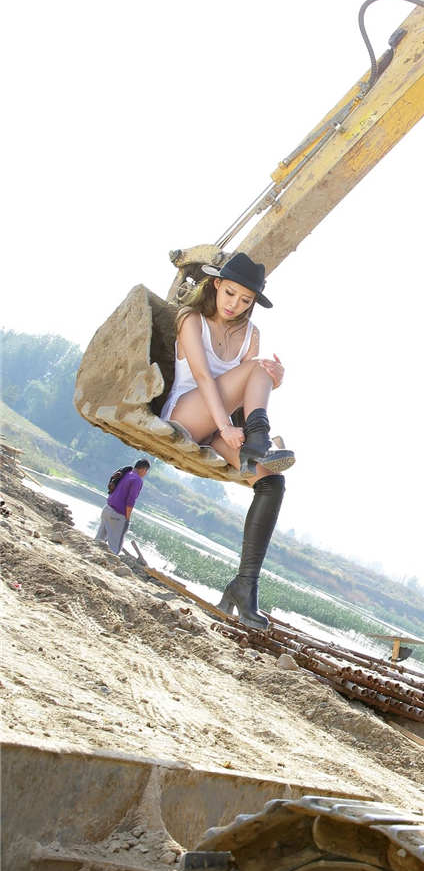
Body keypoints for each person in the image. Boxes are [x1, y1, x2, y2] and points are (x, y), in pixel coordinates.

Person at [160, 251, 294, 629]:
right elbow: (203, 378)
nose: (236, 305)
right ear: (217, 284)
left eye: (246, 300)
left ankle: (244, 585)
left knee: (271, 482)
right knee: (257, 367)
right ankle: (260, 438)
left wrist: (272, 380)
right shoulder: (192, 320)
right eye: (230, 294)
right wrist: (228, 427)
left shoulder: (251, 334)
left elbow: (241, 393)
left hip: (224, 425)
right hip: (187, 416)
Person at [96, 459, 150, 555]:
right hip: (117, 515)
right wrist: (127, 519)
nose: (145, 474)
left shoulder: (126, 473)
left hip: (107, 509)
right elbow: (130, 502)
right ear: (144, 469)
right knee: (115, 547)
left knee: (98, 541)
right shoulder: (137, 480)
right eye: (146, 471)